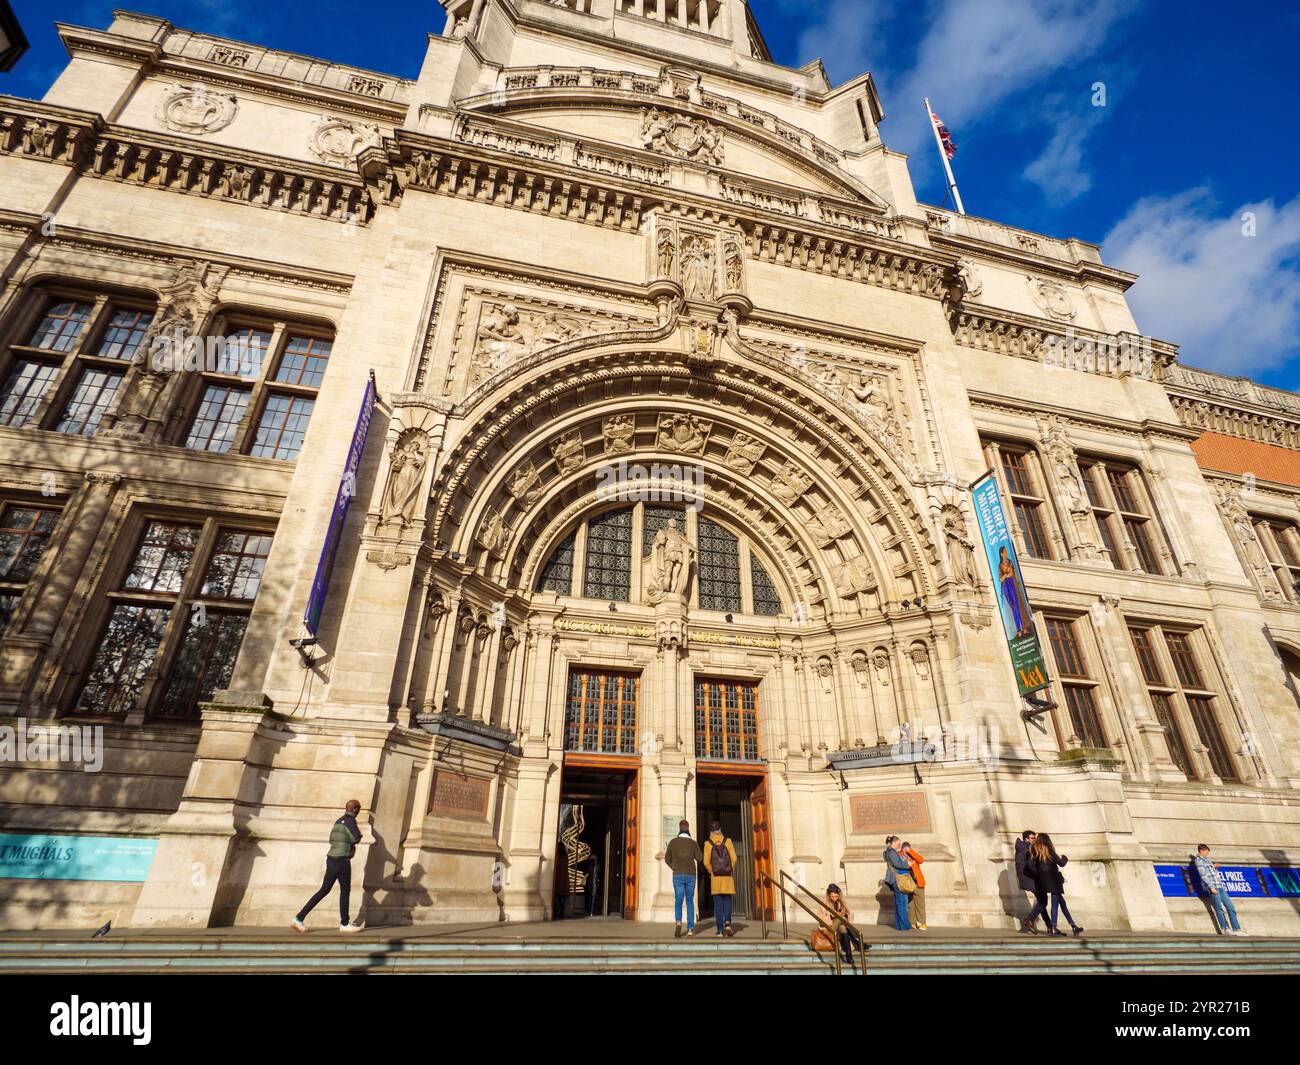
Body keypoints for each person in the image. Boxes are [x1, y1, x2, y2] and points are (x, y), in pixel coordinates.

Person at [292, 799, 364, 933]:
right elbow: (356, 837)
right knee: (345, 891)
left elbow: (331, 839)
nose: (359, 811)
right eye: (358, 808)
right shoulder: (350, 821)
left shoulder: (338, 821)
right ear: (354, 809)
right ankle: (344, 924)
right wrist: (358, 837)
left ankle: (299, 918)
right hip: (342, 860)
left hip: (331, 859)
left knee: (324, 890)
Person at [1027, 833, 1083, 937]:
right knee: (1055, 904)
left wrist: (1038, 874)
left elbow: (1030, 864)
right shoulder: (1049, 850)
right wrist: (1065, 857)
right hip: (1054, 880)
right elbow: (1061, 863)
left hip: (1044, 881)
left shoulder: (1034, 851)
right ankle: (1053, 927)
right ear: (1047, 841)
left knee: (1062, 902)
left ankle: (1073, 926)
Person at [1194, 844, 1245, 936]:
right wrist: (1211, 887)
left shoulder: (1208, 860)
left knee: (1231, 907)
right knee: (1219, 908)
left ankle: (1237, 929)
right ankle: (1225, 928)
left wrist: (1215, 868)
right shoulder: (1199, 861)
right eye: (1206, 852)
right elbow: (1203, 875)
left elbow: (1213, 873)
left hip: (1220, 886)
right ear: (1201, 851)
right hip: (1213, 887)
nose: (1207, 854)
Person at [664, 819, 703, 938]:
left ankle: (678, 922)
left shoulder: (673, 842)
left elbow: (667, 858)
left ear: (679, 828)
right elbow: (700, 858)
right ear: (688, 828)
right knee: (690, 901)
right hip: (691, 875)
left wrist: (674, 867)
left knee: (678, 900)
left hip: (678, 875)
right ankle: (690, 928)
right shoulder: (693, 843)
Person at [702, 821, 738, 937]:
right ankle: (727, 923)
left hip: (716, 878)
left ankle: (720, 929)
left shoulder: (708, 843)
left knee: (718, 904)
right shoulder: (727, 841)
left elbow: (706, 861)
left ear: (711, 831)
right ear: (720, 829)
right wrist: (730, 868)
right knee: (727, 900)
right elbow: (734, 858)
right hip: (727, 877)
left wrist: (711, 870)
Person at [823, 883, 862, 965]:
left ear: (839, 895)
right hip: (829, 929)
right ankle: (857, 942)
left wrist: (844, 914)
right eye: (832, 896)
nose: (834, 898)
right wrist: (837, 916)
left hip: (839, 930)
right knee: (841, 919)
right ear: (829, 895)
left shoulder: (840, 903)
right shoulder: (824, 904)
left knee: (843, 927)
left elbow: (850, 914)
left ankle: (849, 956)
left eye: (836, 896)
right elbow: (822, 920)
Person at [1015, 829, 1044, 934]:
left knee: (1042, 900)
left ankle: (1048, 925)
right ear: (1026, 839)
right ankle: (1029, 919)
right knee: (1043, 900)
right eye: (1032, 838)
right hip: (1029, 879)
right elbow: (1029, 864)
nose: (1034, 840)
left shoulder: (1028, 847)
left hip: (1031, 879)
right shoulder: (1024, 848)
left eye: (1035, 837)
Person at [882, 835, 913, 932]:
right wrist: (908, 864)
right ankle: (904, 926)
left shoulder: (888, 852)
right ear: (893, 843)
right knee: (902, 903)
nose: (900, 846)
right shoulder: (891, 852)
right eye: (899, 844)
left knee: (899, 902)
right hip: (897, 879)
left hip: (895, 879)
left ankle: (901, 925)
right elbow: (897, 864)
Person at [901, 841, 927, 931]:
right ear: (902, 849)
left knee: (920, 904)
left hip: (918, 883)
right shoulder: (899, 855)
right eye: (905, 850)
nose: (906, 852)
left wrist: (910, 851)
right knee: (910, 904)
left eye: (908, 850)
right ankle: (912, 922)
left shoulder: (913, 855)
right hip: (907, 884)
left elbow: (921, 860)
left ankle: (922, 923)